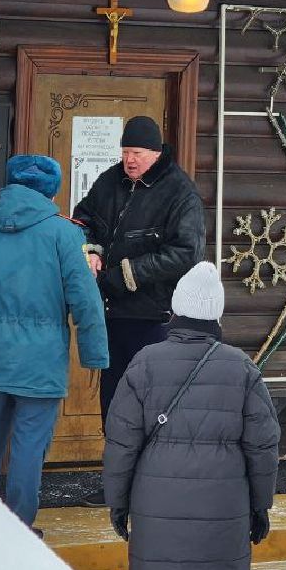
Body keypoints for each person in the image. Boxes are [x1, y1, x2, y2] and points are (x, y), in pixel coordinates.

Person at [102, 261, 280, 570]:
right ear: (216, 314)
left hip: (156, 500)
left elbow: (122, 440)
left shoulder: (146, 362)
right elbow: (263, 445)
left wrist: (118, 502)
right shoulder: (241, 367)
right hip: (222, 502)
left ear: (177, 309)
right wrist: (260, 505)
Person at [0, 154, 108, 529]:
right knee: (29, 448)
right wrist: (95, 355)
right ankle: (19, 529)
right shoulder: (65, 233)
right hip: (41, 362)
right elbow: (86, 300)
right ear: (51, 191)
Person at [72, 115, 205, 506]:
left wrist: (126, 274)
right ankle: (117, 484)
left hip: (153, 319)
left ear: (156, 153)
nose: (129, 160)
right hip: (112, 315)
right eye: (126, 152)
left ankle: (153, 486)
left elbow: (186, 253)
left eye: (138, 153)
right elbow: (82, 218)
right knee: (114, 403)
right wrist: (90, 251)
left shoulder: (180, 192)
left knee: (151, 405)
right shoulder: (110, 181)